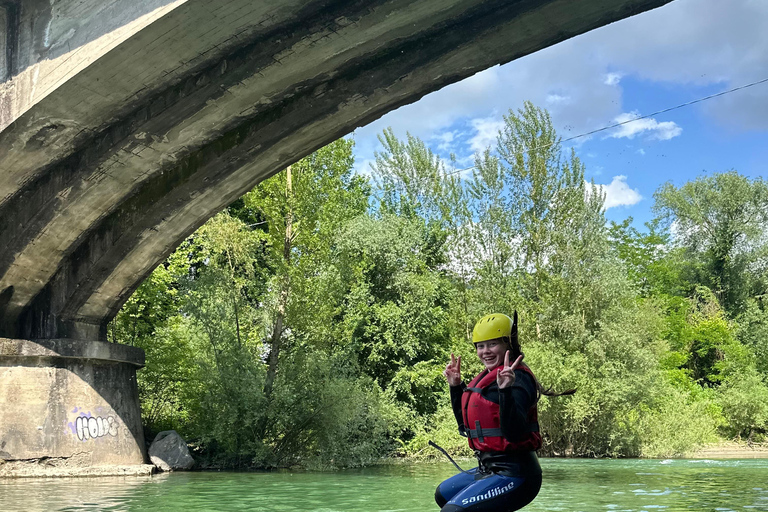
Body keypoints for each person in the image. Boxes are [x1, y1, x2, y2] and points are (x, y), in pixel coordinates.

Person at [435, 312, 570, 512]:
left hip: (517, 474)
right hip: (490, 469)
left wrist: (505, 391)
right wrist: (455, 387)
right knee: (443, 494)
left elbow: (514, 433)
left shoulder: (518, 379)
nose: (485, 351)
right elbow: (464, 425)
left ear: (508, 345)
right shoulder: (488, 379)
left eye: (493, 344)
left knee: (453, 511)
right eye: (481, 346)